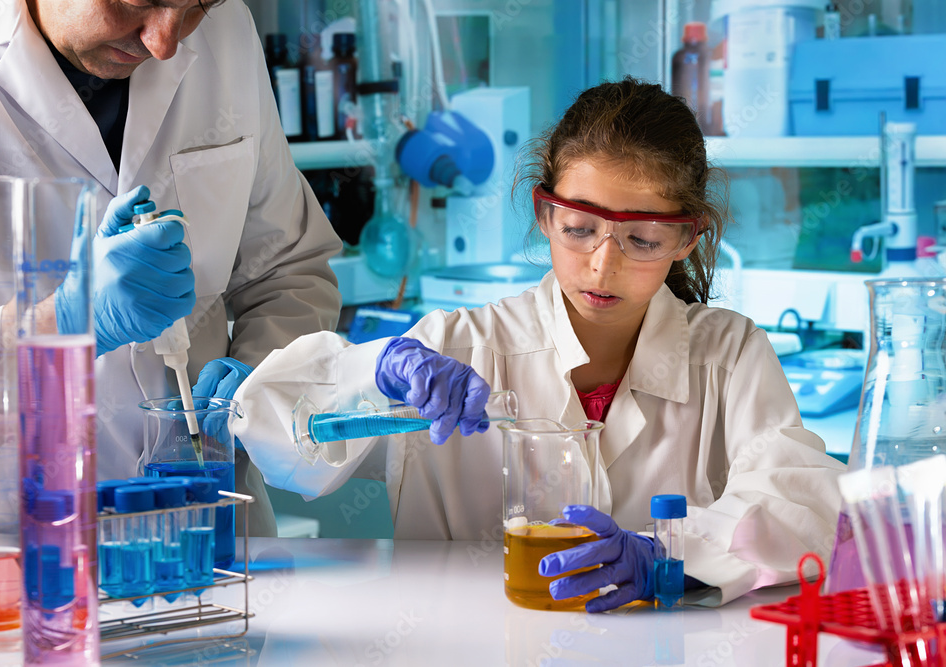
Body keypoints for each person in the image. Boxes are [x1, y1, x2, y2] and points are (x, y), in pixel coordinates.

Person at [226, 77, 844, 609]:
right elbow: (276, 441)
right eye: (579, 228)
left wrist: (670, 557)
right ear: (544, 215)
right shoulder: (455, 347)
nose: (603, 266)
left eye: (644, 240)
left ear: (687, 238)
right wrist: (376, 371)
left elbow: (803, 500)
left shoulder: (729, 355)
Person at [0, 0, 343, 535]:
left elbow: (290, 267)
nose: (164, 43)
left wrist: (259, 377)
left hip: (209, 536)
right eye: (136, 2)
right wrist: (62, 324)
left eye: (196, 7)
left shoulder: (227, 31)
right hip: (0, 550)